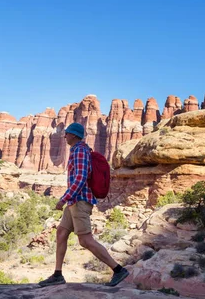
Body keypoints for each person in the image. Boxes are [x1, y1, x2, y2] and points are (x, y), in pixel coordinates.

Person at [39, 122, 129, 287]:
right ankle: (58, 274)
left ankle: (118, 270)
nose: (64, 135)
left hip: (79, 201)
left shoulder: (80, 150)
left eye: (67, 133)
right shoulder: (77, 150)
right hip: (75, 201)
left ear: (73, 135)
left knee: (85, 240)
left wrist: (63, 198)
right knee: (61, 233)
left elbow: (81, 178)